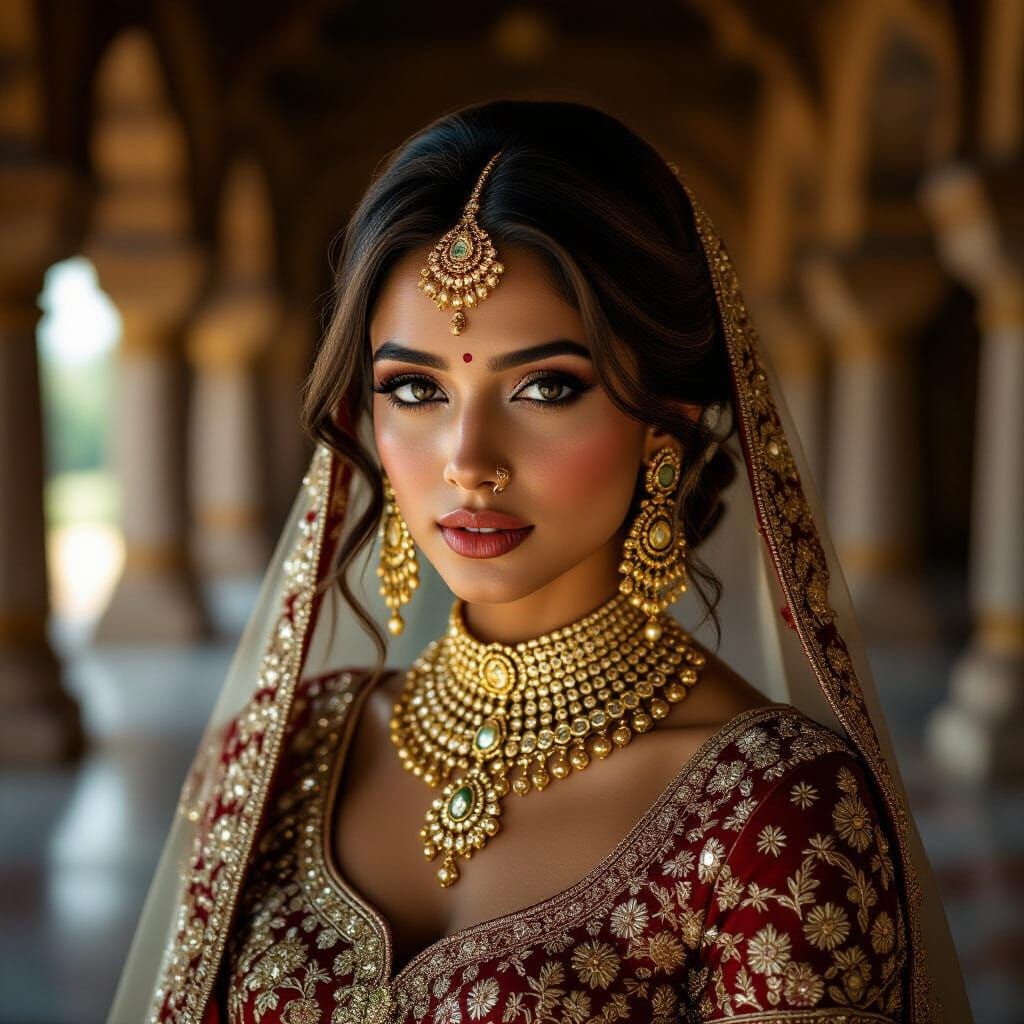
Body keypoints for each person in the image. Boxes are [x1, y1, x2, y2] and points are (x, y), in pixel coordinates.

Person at [107, 100, 971, 1024]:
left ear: (665, 424)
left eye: (546, 386)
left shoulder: (776, 813)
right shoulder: (282, 751)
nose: (469, 461)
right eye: (416, 389)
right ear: (364, 417)